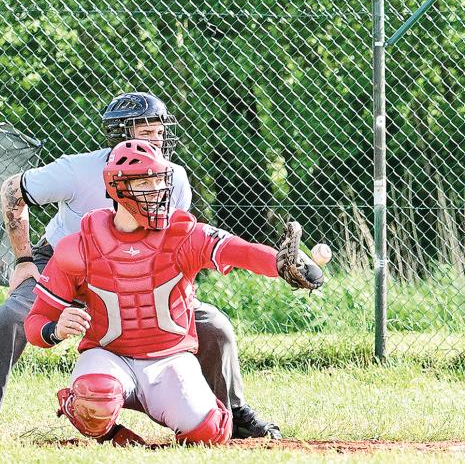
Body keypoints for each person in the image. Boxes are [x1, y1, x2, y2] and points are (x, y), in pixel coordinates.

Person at [0, 92, 281, 443]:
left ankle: (232, 411)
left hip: (136, 273)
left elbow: (175, 243)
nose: (157, 139)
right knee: (16, 315)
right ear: (120, 136)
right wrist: (22, 260)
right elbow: (12, 190)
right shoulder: (80, 170)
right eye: (147, 132)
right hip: (65, 263)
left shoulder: (172, 177)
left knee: (213, 325)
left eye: (160, 131)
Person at [24, 140, 323, 444]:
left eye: (159, 181)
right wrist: (55, 330)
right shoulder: (81, 245)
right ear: (117, 187)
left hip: (168, 359)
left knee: (208, 432)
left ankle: (212, 416)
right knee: (94, 397)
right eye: (144, 182)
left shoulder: (182, 234)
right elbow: (35, 322)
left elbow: (239, 250)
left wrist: (281, 264)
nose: (156, 191)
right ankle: (110, 432)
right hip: (108, 357)